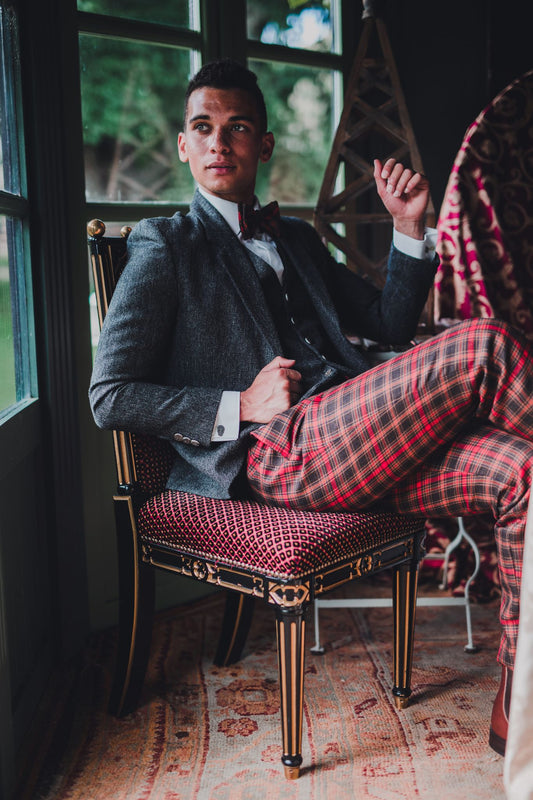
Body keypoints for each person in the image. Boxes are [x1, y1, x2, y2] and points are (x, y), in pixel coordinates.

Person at [89, 58, 532, 757]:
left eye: (236, 128)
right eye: (202, 128)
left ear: (262, 146)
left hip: (352, 436)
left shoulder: (291, 238)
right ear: (182, 144)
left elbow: (384, 326)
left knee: (520, 470)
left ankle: (520, 694)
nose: (218, 143)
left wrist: (409, 229)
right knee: (484, 343)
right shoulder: (164, 245)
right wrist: (240, 402)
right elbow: (109, 395)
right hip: (279, 454)